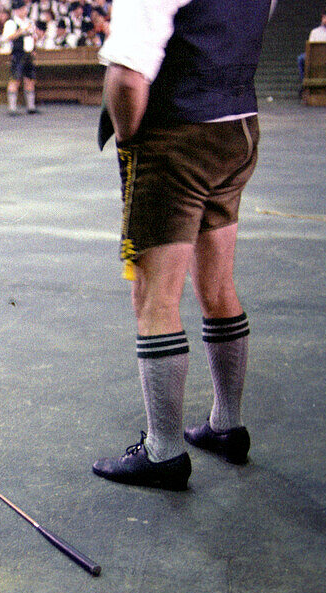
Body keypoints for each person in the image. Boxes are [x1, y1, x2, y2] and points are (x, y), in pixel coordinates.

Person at [91, 0, 273, 490]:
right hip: (238, 128)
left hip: (176, 136)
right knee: (216, 285)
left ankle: (163, 451)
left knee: (155, 296)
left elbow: (128, 77)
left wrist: (131, 141)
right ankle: (225, 426)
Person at [2, 0, 37, 115]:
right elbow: (8, 37)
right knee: (15, 79)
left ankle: (31, 106)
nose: (25, 11)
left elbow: (33, 36)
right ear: (17, 11)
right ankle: (12, 107)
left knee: (30, 79)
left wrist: (34, 48)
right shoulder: (11, 23)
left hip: (28, 54)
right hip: (18, 54)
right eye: (22, 9)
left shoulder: (30, 22)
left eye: (26, 9)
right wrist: (20, 31)